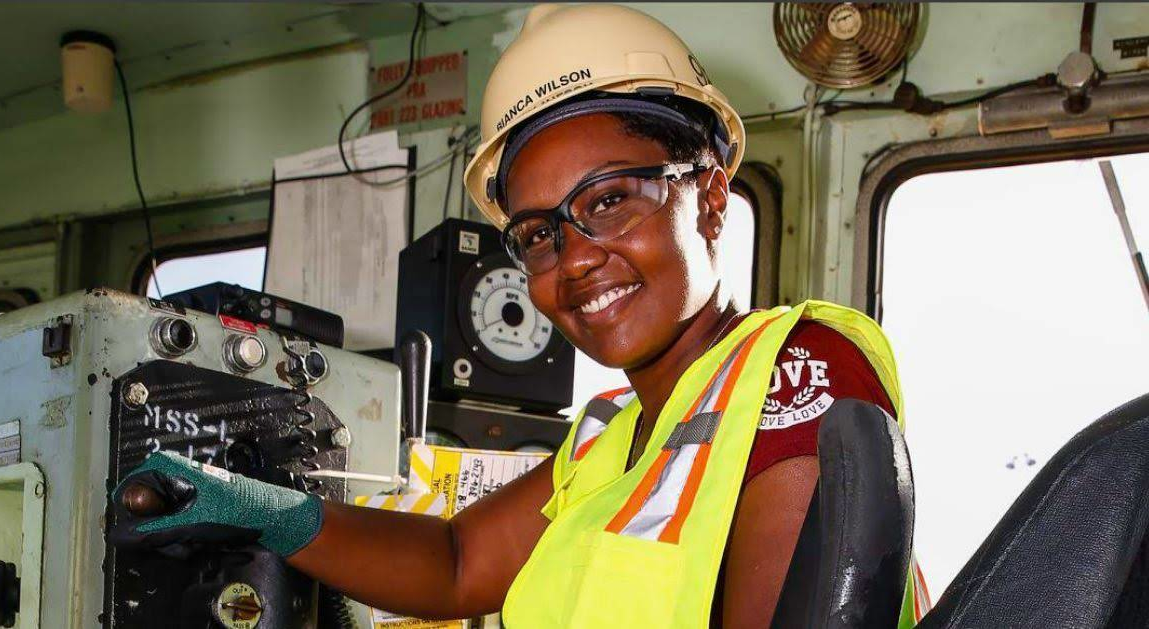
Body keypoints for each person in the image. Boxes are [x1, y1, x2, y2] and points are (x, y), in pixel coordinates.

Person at [111, 5, 925, 627]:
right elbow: (457, 560)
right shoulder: (612, 434)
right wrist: (260, 508)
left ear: (710, 195)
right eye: (540, 233)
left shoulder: (795, 373)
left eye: (607, 201)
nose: (573, 261)